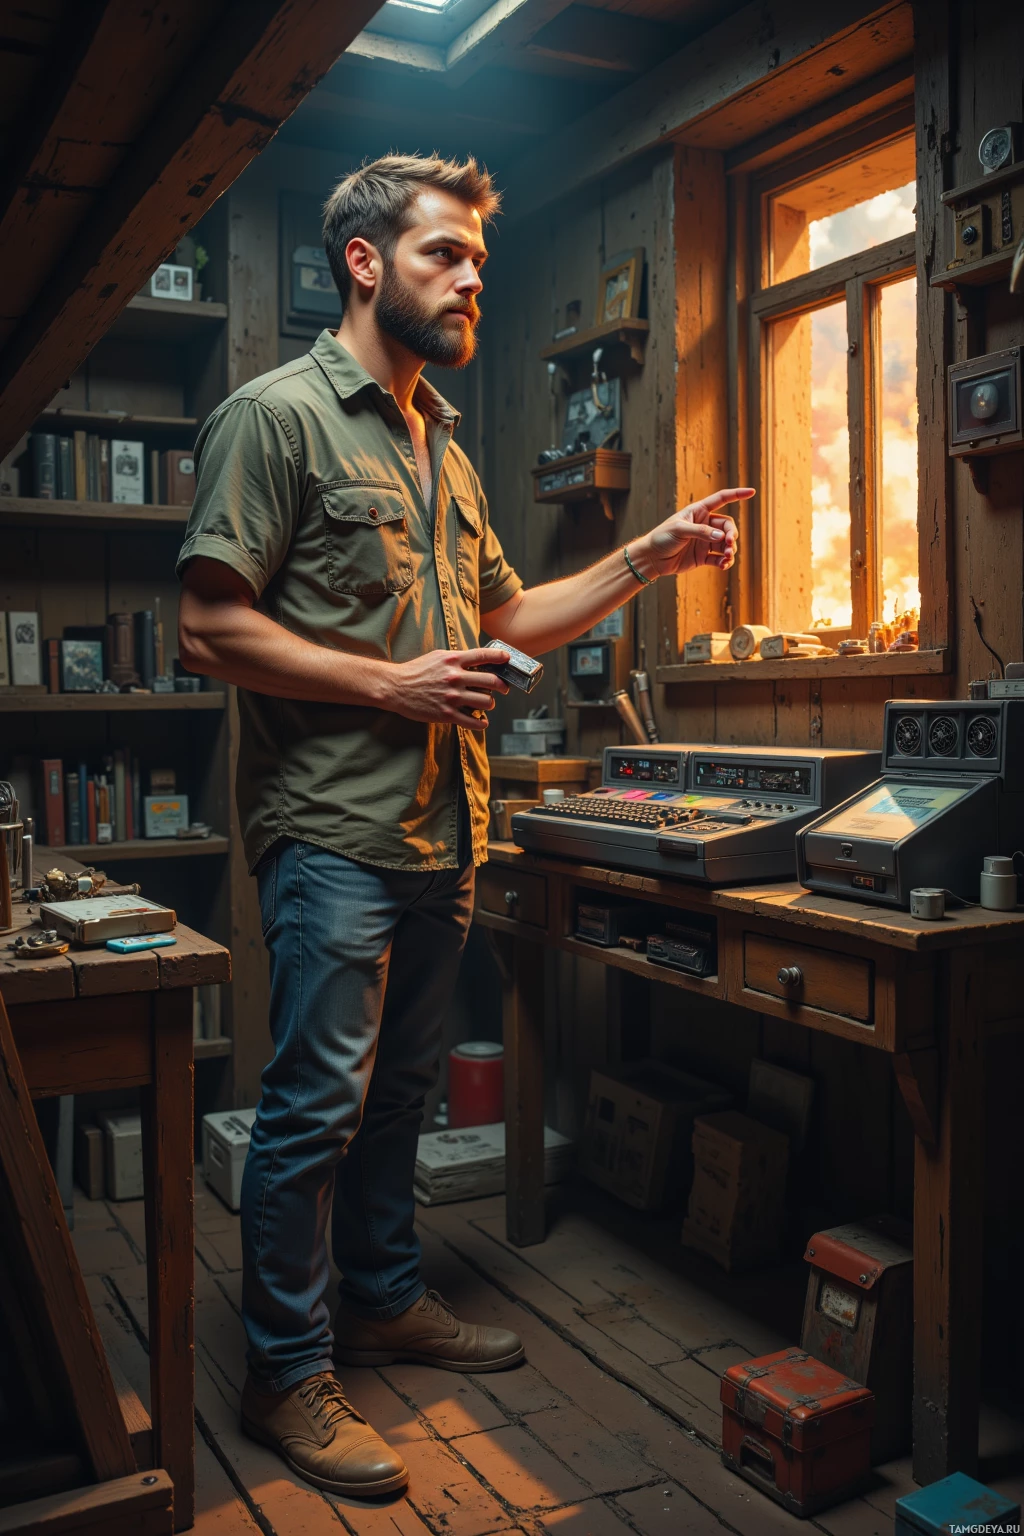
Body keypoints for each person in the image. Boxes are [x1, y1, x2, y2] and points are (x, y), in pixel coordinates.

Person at [177, 151, 752, 1499]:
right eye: (447, 254)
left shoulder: (445, 443)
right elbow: (209, 624)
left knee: (401, 1104)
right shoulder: (273, 420)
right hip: (330, 832)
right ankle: (284, 1371)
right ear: (367, 263)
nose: (473, 276)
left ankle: (380, 1300)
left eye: (481, 261)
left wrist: (645, 559)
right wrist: (391, 679)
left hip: (446, 834)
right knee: (313, 1111)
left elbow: (505, 620)